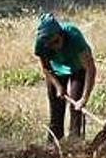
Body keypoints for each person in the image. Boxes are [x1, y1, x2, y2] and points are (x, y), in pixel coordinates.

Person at [34, 13, 96, 141]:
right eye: (50, 45)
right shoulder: (41, 44)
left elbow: (90, 68)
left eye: (56, 41)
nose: (54, 47)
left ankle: (75, 143)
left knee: (76, 108)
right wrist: (58, 86)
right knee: (56, 111)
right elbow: (46, 68)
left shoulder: (74, 36)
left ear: (61, 34)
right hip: (56, 72)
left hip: (77, 69)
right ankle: (54, 144)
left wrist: (84, 99)